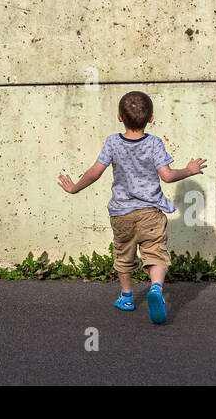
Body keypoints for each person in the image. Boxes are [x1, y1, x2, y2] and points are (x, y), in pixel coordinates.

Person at [58, 90, 207, 324]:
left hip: (121, 213)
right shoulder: (154, 143)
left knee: (124, 254)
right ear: (151, 118)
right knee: (156, 253)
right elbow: (166, 176)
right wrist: (189, 170)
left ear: (119, 117)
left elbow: (95, 172)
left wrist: (75, 187)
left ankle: (126, 297)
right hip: (150, 213)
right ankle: (156, 289)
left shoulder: (112, 142)